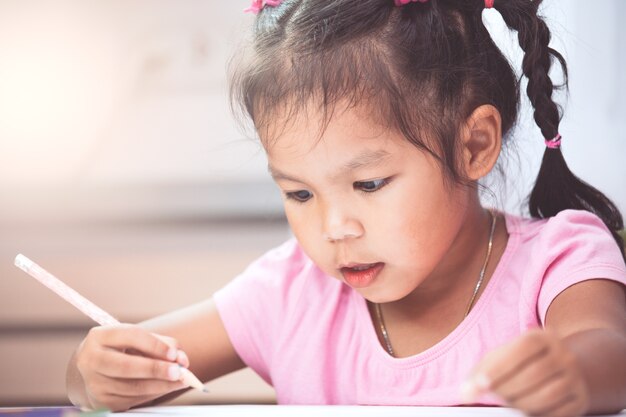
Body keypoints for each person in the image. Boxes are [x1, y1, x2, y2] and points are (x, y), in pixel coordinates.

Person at [66, 0, 626, 415]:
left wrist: (571, 369)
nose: (334, 228)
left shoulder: (559, 260)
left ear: (473, 146)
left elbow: (611, 355)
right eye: (299, 194)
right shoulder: (291, 293)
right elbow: (110, 369)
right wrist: (93, 376)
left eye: (370, 183)